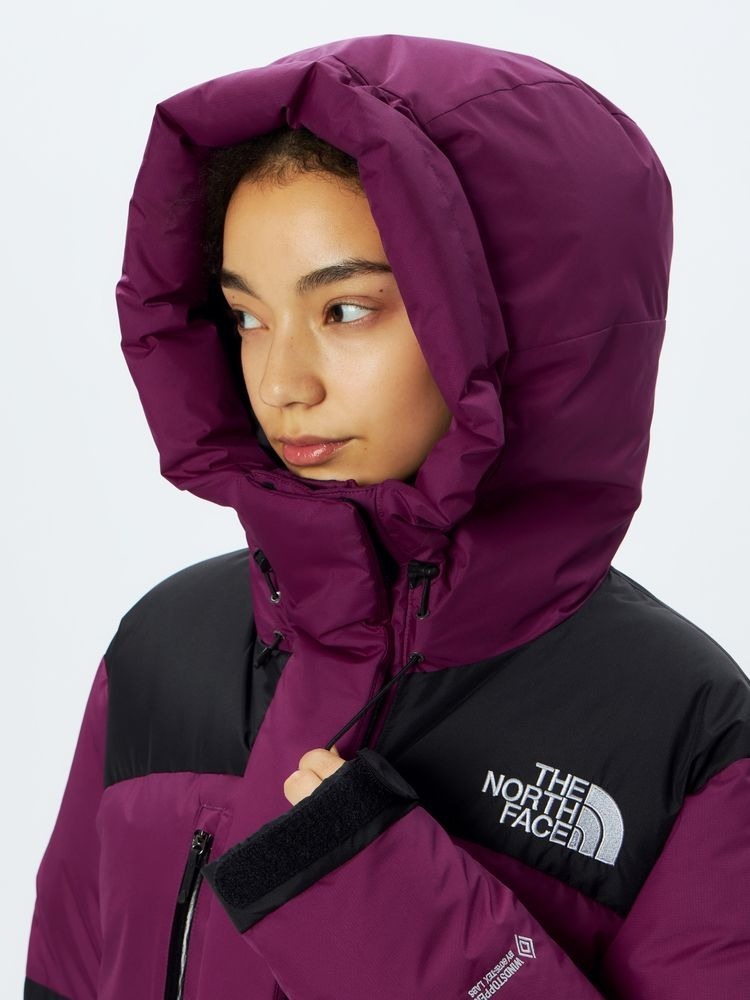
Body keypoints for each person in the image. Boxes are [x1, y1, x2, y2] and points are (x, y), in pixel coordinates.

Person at [24, 33, 750, 1000]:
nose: (281, 384)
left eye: (345, 311)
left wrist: (400, 924)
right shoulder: (162, 650)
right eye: (247, 318)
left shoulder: (685, 736)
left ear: (523, 328)